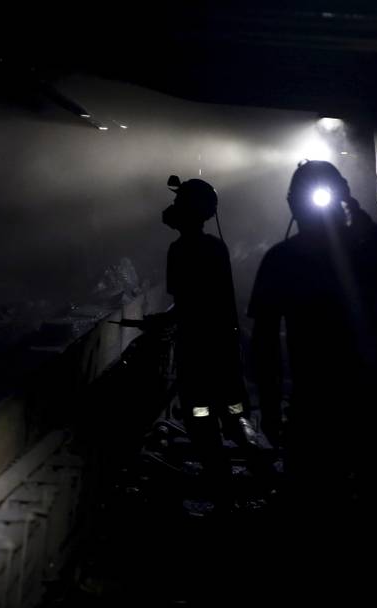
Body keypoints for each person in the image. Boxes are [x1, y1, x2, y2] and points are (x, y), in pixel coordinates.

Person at [248, 160, 377, 574]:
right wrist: (358, 219)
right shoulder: (364, 253)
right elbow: (265, 342)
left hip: (322, 411)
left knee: (324, 524)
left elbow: (265, 344)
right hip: (362, 405)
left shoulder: (282, 259)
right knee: (366, 519)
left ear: (292, 204)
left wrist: (270, 410)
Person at [147, 175, 256, 507]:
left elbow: (187, 303)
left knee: (200, 415)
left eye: (180, 203)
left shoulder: (179, 250)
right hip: (223, 348)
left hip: (197, 349)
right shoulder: (217, 248)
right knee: (233, 410)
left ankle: (221, 485)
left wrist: (162, 322)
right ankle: (256, 465)